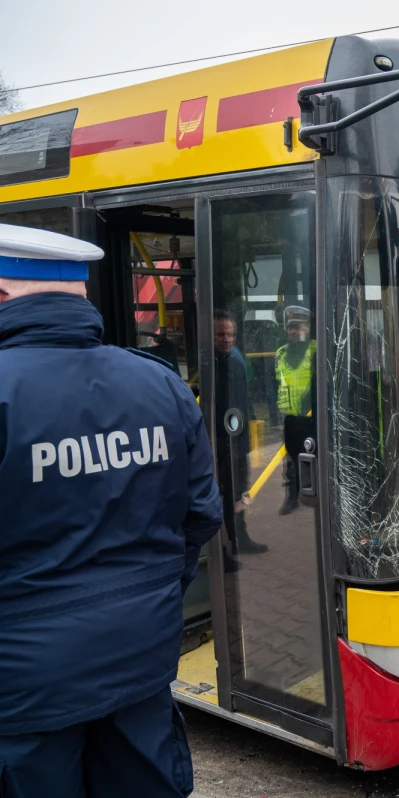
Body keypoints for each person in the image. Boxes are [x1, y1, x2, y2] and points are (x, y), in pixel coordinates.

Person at [0, 223, 224, 797]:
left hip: (25, 690)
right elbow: (201, 513)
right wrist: (147, 591)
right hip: (140, 661)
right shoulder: (160, 384)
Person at [214, 308, 268, 554]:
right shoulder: (208, 365)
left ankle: (240, 537)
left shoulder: (235, 359)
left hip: (237, 440)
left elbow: (244, 401)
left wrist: (248, 437)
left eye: (230, 334)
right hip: (217, 444)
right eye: (220, 335)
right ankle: (223, 548)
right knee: (222, 495)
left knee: (239, 492)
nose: (226, 339)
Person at [275, 305, 315, 516]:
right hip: (289, 416)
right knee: (289, 460)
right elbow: (277, 383)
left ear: (308, 327)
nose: (293, 331)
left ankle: (315, 496)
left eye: (298, 326)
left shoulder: (317, 349)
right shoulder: (281, 353)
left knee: (313, 456)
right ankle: (292, 496)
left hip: (312, 417)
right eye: (290, 327)